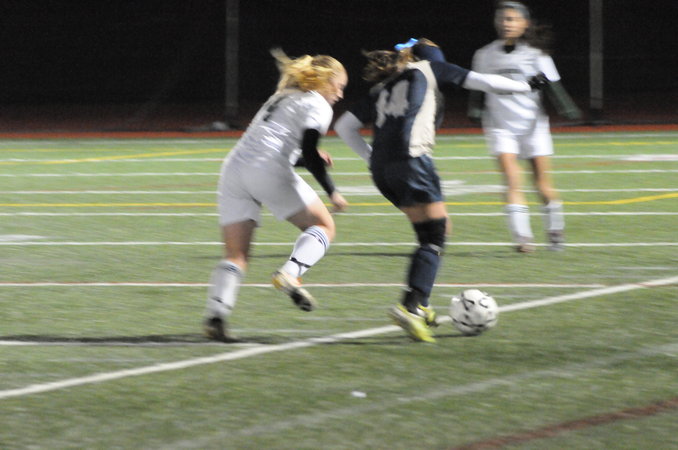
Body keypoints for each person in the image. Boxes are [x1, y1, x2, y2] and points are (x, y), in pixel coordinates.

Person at [335, 38, 540, 342]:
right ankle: (411, 306)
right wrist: (527, 85)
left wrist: (373, 158)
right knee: (435, 235)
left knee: (431, 234)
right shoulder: (428, 68)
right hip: (412, 161)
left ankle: (420, 303)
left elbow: (344, 127)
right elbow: (485, 82)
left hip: (382, 171)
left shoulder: (384, 85)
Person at [203, 49, 349, 342]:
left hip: (234, 169)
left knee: (236, 255)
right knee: (323, 226)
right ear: (325, 80)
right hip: (267, 169)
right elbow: (308, 150)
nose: (340, 94)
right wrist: (332, 191)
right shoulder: (318, 103)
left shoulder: (283, 95)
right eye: (339, 86)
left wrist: (307, 159)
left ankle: (216, 315)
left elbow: (279, 145)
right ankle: (291, 274)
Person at [468, 1, 581, 253]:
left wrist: (566, 107)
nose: (505, 24)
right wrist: (474, 108)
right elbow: (477, 86)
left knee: (542, 185)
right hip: (500, 125)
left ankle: (555, 231)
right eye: (502, 19)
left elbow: (553, 86)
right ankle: (523, 238)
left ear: (524, 23)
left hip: (532, 125)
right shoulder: (484, 54)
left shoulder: (536, 54)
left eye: (511, 19)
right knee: (512, 180)